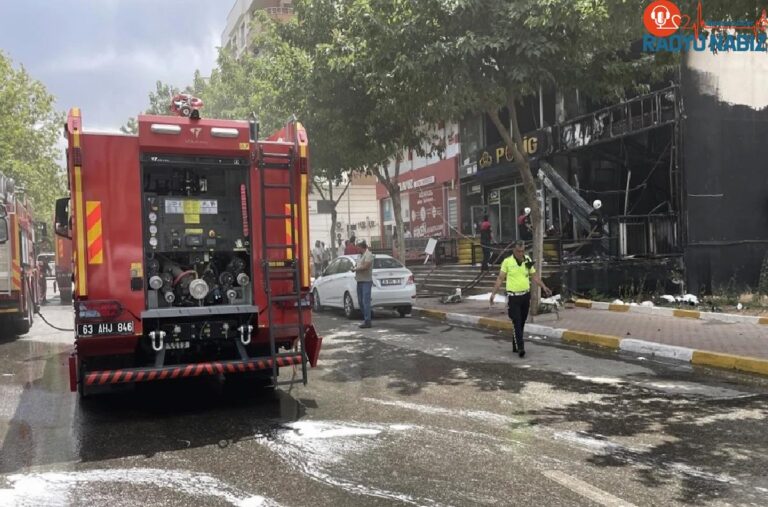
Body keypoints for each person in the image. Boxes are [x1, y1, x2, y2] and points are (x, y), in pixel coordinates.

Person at [489, 241, 552, 358]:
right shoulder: (507, 262)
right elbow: (500, 278)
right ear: (514, 250)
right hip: (513, 297)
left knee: (522, 322)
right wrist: (493, 294)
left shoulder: (527, 260)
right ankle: (521, 347)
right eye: (518, 251)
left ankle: (515, 344)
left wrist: (543, 287)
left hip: (525, 296)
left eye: (522, 251)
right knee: (516, 321)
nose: (520, 253)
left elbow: (534, 276)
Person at [352, 240, 374, 328]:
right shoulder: (359, 255)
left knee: (365, 301)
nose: (357, 249)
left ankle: (367, 321)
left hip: (366, 281)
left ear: (362, 247)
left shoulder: (369, 255)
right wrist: (354, 267)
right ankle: (369, 315)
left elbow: (366, 266)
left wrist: (355, 269)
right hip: (359, 281)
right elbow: (358, 265)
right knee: (361, 302)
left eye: (358, 247)